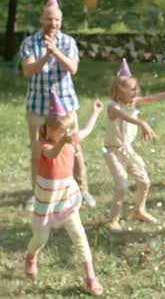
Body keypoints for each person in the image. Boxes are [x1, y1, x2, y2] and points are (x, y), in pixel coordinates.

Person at [20, 0, 97, 210]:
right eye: (48, 19)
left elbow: (72, 68)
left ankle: (83, 191)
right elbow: (28, 71)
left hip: (66, 108)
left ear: (60, 21)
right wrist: (46, 55)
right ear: (41, 19)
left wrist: (55, 52)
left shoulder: (69, 42)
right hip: (37, 107)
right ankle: (37, 195)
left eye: (56, 19)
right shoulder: (29, 43)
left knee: (74, 150)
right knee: (37, 151)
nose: (52, 23)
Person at [24, 93, 103, 296]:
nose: (67, 133)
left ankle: (91, 276)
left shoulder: (68, 140)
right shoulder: (41, 145)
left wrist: (95, 112)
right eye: (62, 130)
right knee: (40, 238)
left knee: (79, 236)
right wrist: (64, 142)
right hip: (47, 202)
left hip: (66, 199)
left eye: (68, 129)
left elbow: (86, 130)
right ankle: (31, 256)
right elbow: (51, 154)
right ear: (48, 130)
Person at [104, 59, 165, 232]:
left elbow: (154, 98)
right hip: (113, 152)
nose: (136, 92)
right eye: (132, 89)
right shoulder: (113, 107)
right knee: (122, 186)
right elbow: (124, 116)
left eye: (136, 88)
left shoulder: (132, 103)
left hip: (128, 150)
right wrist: (142, 123)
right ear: (120, 90)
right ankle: (113, 220)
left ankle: (139, 210)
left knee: (144, 181)